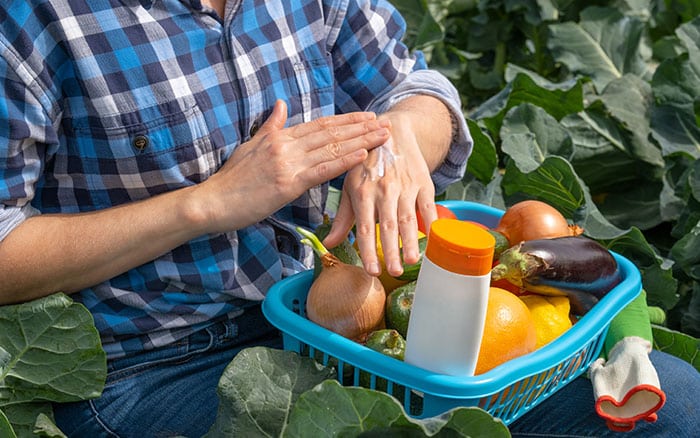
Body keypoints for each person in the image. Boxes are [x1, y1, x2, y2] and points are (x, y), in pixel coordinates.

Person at [1, 1, 697, 438]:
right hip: (152, 371)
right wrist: (204, 204)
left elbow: (418, 88)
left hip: (334, 329)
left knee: (681, 405)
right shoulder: (34, 18)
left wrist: (395, 137)